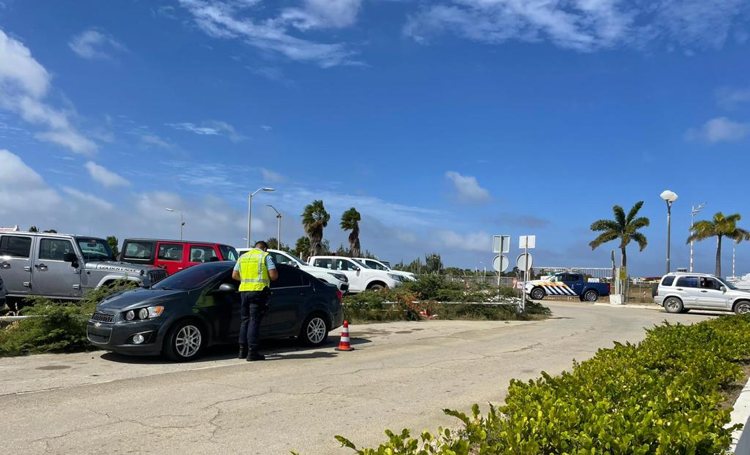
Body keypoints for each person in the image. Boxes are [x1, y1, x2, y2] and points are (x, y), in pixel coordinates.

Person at [232, 240, 278, 361]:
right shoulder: (265, 256)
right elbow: (273, 276)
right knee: (254, 321)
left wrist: (245, 280)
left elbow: (234, 275)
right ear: (265, 249)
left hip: (243, 291)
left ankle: (242, 351)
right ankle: (252, 353)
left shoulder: (243, 257)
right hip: (258, 291)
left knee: (244, 320)